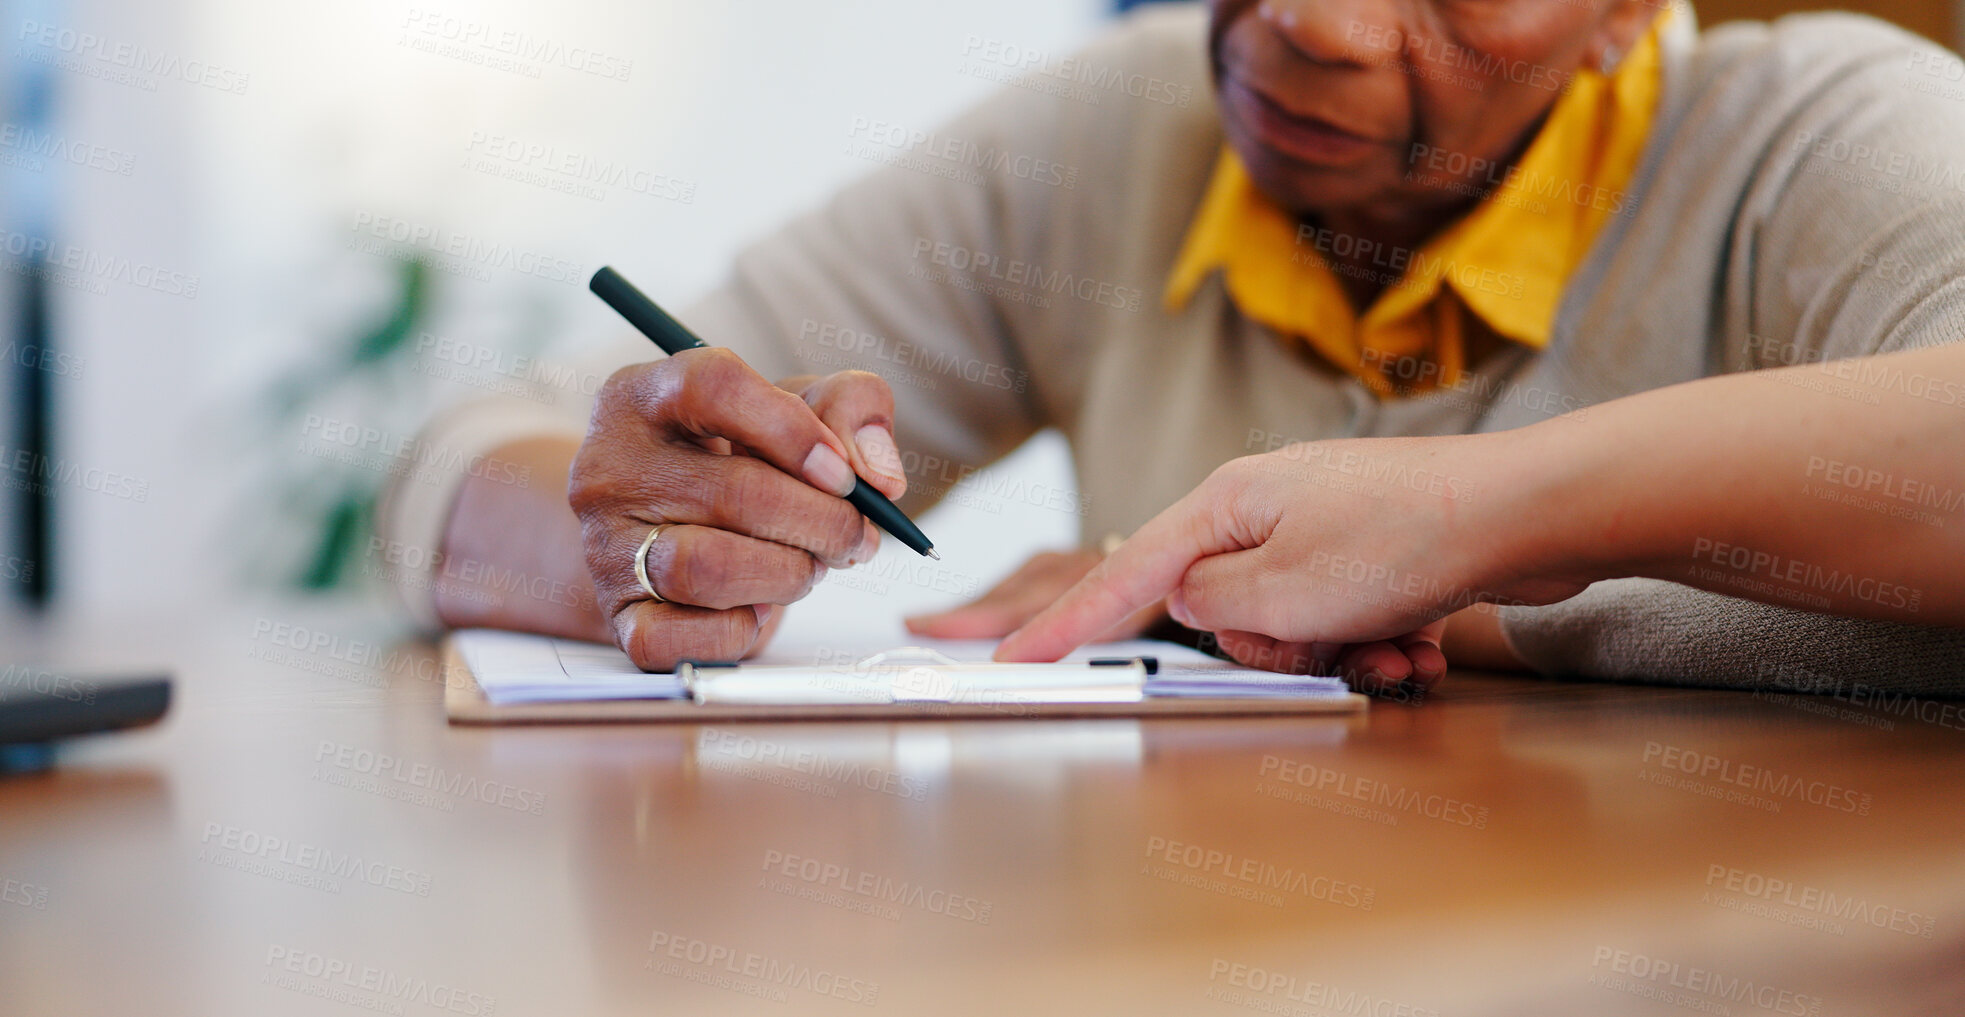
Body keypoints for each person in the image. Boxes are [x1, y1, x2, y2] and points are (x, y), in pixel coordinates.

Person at [380, 0, 1965, 695]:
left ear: (1634, 10)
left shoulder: (1809, 141)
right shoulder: (1123, 126)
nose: (1318, 26)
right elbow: (462, 457)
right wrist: (624, 533)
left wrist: (1453, 554)